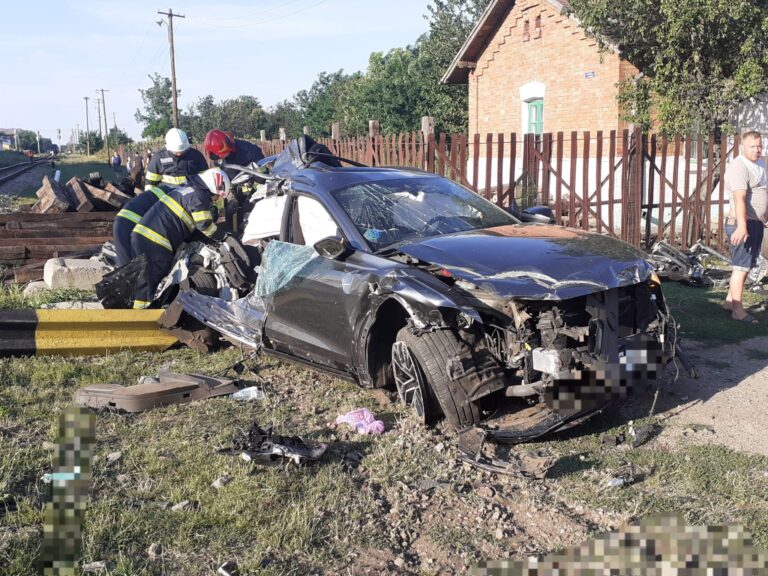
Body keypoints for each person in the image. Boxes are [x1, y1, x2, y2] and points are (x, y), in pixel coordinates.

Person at [130, 168, 230, 309]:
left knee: (145, 282)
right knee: (152, 282)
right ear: (216, 186)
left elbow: (189, 226)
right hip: (155, 241)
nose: (216, 200)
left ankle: (140, 314)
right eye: (217, 196)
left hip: (145, 238)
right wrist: (223, 237)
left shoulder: (188, 190)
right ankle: (146, 318)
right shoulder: (199, 196)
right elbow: (204, 225)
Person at [723, 130, 767, 323]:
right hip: (742, 224)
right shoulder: (738, 167)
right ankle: (738, 311)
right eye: (753, 146)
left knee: (745, 265)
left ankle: (729, 302)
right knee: (740, 267)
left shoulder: (760, 163)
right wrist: (742, 227)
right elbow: (739, 199)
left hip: (755, 223)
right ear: (743, 146)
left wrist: (765, 217)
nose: (757, 150)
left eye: (759, 145)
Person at [204, 129, 265, 232]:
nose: (224, 157)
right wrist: (230, 196)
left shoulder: (250, 151)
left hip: (252, 187)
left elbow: (262, 175)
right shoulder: (216, 156)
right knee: (230, 211)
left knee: (251, 212)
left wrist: (253, 195)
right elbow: (224, 177)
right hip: (232, 187)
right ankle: (232, 234)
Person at [111, 184, 168, 267]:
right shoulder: (176, 196)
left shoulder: (169, 191)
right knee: (132, 270)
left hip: (121, 223)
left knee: (127, 269)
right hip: (130, 226)